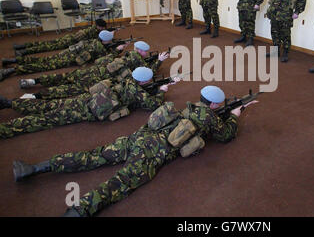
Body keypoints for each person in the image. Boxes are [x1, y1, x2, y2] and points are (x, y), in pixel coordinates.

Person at [12, 85, 258, 217]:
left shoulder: (189, 107)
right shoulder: (209, 118)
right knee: (118, 184)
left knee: (93, 156)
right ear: (215, 104)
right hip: (154, 153)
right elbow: (225, 135)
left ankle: (35, 167)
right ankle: (79, 211)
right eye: (220, 105)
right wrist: (235, 116)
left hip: (138, 138)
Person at [0, 67, 180, 139]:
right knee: (47, 119)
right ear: (144, 82)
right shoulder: (138, 91)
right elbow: (151, 104)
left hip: (88, 98)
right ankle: (6, 128)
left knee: (52, 105)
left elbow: (141, 90)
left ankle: (10, 103)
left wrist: (155, 86)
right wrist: (161, 92)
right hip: (90, 110)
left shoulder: (128, 81)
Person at [18, 41, 170, 100]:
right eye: (145, 52)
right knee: (68, 90)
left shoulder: (129, 54)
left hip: (93, 70)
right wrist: (159, 61)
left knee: (62, 76)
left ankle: (34, 81)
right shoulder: (137, 60)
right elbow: (148, 73)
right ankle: (33, 96)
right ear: (141, 52)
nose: (145, 54)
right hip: (97, 79)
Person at [0, 30, 130, 81]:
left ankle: (12, 60)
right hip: (69, 59)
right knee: (42, 66)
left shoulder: (94, 41)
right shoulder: (99, 47)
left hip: (68, 52)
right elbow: (102, 58)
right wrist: (118, 50)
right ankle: (12, 70)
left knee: (42, 60)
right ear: (106, 41)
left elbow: (104, 46)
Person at [12, 18, 108, 57]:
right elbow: (93, 40)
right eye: (103, 27)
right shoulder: (93, 31)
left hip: (68, 37)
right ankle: (23, 51)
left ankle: (21, 46)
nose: (103, 29)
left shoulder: (92, 28)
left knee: (48, 43)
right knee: (47, 47)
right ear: (99, 27)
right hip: (69, 41)